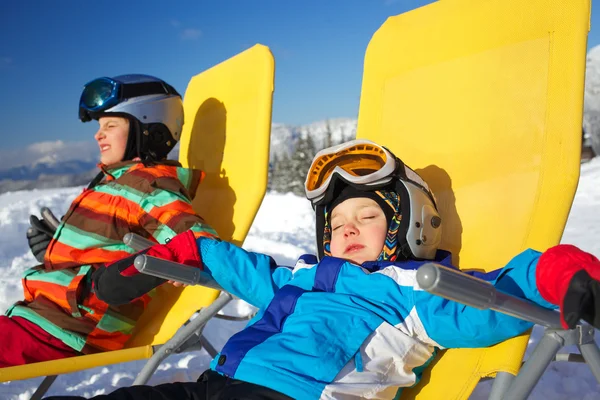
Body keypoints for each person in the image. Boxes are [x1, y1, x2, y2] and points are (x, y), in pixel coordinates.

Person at [47, 139, 600, 399]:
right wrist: (169, 255)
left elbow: (505, 293)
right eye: (337, 224)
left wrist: (567, 275)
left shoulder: (416, 291)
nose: (349, 229)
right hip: (214, 387)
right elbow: (235, 265)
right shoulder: (301, 278)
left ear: (411, 225)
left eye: (368, 215)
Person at [0, 74, 218, 367]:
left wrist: (130, 274)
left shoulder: (149, 187)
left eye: (111, 125)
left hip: (67, 331)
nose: (97, 134)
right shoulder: (115, 182)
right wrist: (58, 251)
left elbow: (200, 243)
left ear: (149, 130)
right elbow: (107, 246)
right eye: (100, 126)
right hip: (43, 318)